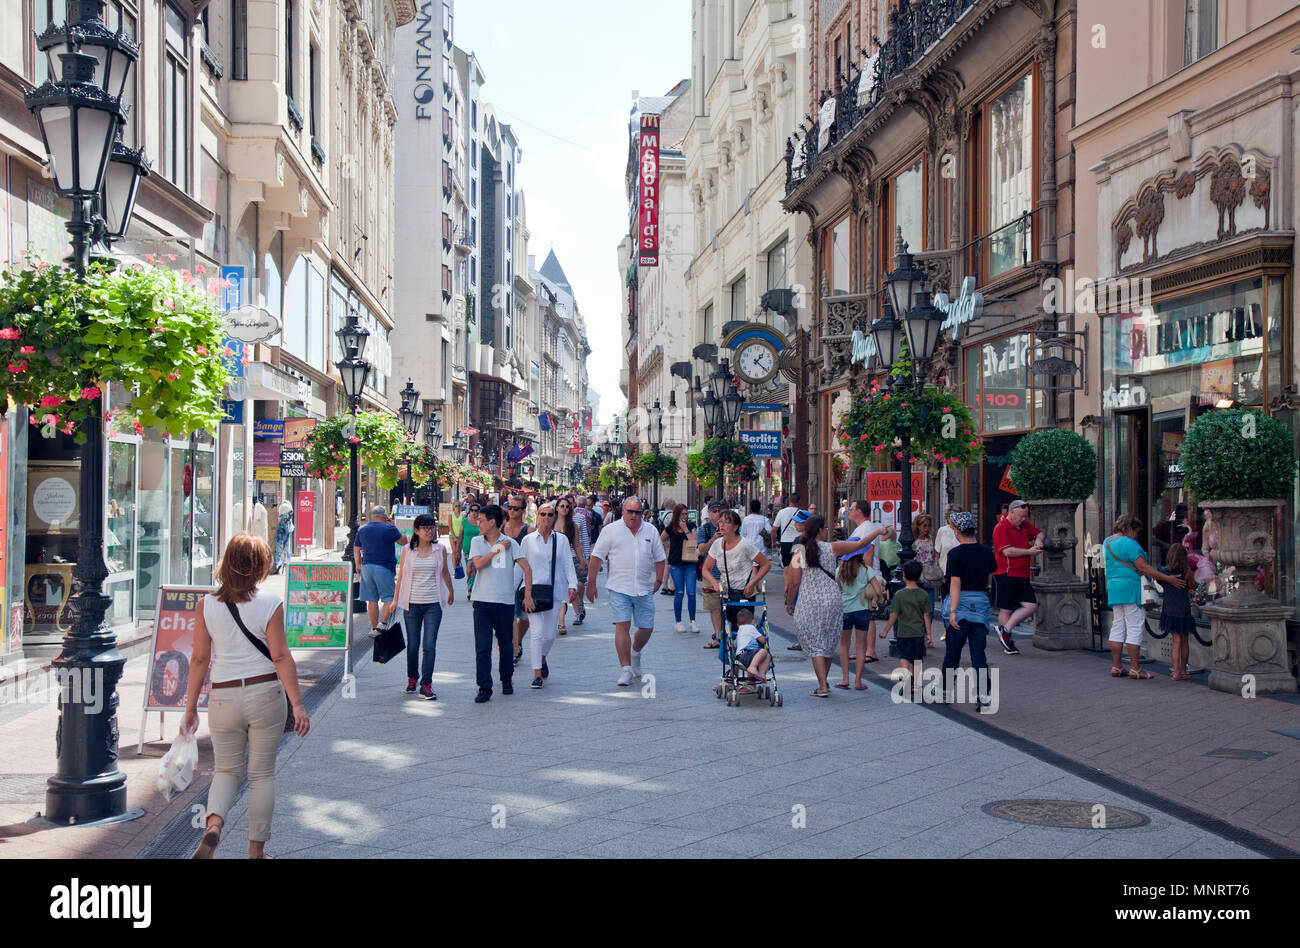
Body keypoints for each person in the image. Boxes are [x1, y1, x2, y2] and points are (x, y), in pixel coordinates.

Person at [184, 533, 309, 859]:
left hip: (223, 696)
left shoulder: (206, 605)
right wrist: (297, 704)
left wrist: (189, 708)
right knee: (261, 774)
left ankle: (213, 827)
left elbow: (199, 659)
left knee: (226, 771)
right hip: (264, 692)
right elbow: (281, 657)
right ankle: (256, 853)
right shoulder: (270, 604)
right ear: (260, 566)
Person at [586, 495, 666, 687]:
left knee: (646, 628)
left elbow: (660, 558)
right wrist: (591, 583)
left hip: (644, 586)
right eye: (630, 511)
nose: (633, 516)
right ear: (622, 511)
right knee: (622, 625)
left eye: (637, 512)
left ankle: (635, 652)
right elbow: (597, 557)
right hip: (618, 586)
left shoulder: (651, 530)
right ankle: (626, 669)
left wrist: (658, 580)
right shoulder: (611, 531)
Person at [1104, 514, 1183, 679]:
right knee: (1134, 627)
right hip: (1132, 589)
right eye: (1136, 531)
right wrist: (1168, 579)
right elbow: (1144, 567)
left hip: (1114, 587)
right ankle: (1135, 668)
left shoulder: (1108, 541)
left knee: (1118, 626)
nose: (1136, 535)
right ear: (1130, 528)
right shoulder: (1129, 543)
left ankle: (1117, 666)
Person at [468, 504, 533, 702]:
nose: (477, 523)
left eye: (481, 520)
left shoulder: (511, 543)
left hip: (504, 601)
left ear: (492, 522)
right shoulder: (477, 541)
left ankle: (506, 680)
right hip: (482, 601)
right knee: (483, 647)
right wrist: (496, 549)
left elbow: (527, 569)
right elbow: (478, 564)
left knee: (506, 645)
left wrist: (528, 594)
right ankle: (484, 687)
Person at [384, 513, 453, 700]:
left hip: (433, 603)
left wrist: (451, 591)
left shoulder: (440, 549)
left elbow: (445, 572)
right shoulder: (408, 550)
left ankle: (426, 684)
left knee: (429, 645)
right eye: (426, 528)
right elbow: (401, 577)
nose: (430, 531)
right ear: (416, 530)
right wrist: (395, 600)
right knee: (413, 645)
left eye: (432, 527)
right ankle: (412, 678)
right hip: (411, 603)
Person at [939, 512, 997, 711]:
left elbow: (955, 583)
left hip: (961, 604)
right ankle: (983, 696)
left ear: (957, 531)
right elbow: (989, 578)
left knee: (953, 653)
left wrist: (953, 611)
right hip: (980, 605)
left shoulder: (955, 554)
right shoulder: (986, 551)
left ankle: (945, 692)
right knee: (978, 654)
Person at [520, 502, 579, 689]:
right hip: (533, 591)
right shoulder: (528, 540)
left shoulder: (560, 540)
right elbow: (520, 566)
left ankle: (543, 657)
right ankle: (536, 673)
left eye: (550, 514)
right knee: (536, 633)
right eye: (543, 514)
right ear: (537, 516)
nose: (546, 518)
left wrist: (572, 585)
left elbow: (568, 564)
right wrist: (516, 590)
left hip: (555, 591)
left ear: (554, 517)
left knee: (550, 635)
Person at [785, 516, 843, 697]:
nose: (827, 531)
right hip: (832, 599)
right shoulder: (832, 548)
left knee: (816, 644)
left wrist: (789, 603)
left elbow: (794, 582)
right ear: (819, 530)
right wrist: (877, 532)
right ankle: (824, 682)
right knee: (827, 642)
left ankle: (822, 686)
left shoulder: (799, 552)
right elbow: (859, 544)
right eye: (825, 528)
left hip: (810, 601)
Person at [702, 509, 771, 632]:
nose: (721, 525)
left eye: (726, 522)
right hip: (727, 593)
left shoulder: (745, 545)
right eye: (720, 522)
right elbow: (706, 569)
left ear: (735, 527)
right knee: (729, 631)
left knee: (744, 631)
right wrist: (714, 583)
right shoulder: (717, 544)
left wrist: (753, 583)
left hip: (745, 593)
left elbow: (766, 564)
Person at [990, 498, 1042, 654]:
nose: (1023, 520)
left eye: (1025, 516)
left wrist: (1038, 541)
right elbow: (1008, 551)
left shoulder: (1023, 526)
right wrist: (1029, 551)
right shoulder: (1000, 528)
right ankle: (1008, 642)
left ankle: (1004, 630)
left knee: (1031, 605)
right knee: (1006, 609)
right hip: (1006, 574)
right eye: (1020, 516)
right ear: (1011, 513)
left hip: (1022, 574)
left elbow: (1039, 533)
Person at [879, 560, 932, 690]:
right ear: (919, 575)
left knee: (904, 656)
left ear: (903, 574)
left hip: (903, 633)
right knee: (917, 659)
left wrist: (885, 630)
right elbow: (927, 615)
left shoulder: (899, 595)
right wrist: (929, 634)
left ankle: (906, 675)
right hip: (919, 633)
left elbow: (894, 615)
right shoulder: (923, 594)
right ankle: (915, 685)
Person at [836, 547, 884, 690]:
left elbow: (837, 589)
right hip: (862, 610)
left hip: (845, 610)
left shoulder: (839, 571)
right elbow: (878, 590)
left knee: (844, 645)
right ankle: (858, 681)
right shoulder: (866, 570)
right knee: (861, 647)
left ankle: (845, 679)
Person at [353, 505, 403, 637]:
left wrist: (358, 564)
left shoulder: (362, 529)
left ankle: (374, 627)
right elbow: (403, 541)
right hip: (384, 567)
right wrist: (393, 524)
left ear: (372, 516)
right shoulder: (389, 528)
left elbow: (356, 549)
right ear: (385, 516)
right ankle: (382, 624)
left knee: (372, 600)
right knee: (389, 597)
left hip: (367, 567)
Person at [1158, 544, 1196, 681]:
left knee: (1176, 641)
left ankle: (1176, 672)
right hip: (1184, 610)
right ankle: (1183, 671)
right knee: (1184, 641)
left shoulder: (1163, 572)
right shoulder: (1187, 573)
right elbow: (1192, 587)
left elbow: (1159, 581)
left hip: (1170, 610)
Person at [503, 494, 533, 665]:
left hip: (522, 576)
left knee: (525, 617)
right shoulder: (500, 529)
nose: (512, 511)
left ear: (523, 511)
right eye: (510, 507)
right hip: (504, 577)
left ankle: (518, 641)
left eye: (515, 508)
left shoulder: (528, 531)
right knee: (510, 615)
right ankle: (513, 648)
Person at [662, 504, 699, 633]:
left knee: (691, 592)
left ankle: (692, 621)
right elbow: (661, 539)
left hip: (690, 562)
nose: (684, 516)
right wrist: (670, 546)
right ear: (677, 514)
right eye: (682, 514)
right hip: (676, 563)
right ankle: (678, 621)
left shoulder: (691, 526)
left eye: (686, 514)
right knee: (679, 592)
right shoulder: (670, 528)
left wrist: (685, 529)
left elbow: (694, 541)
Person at [697, 501, 726, 648]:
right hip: (711, 574)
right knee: (714, 607)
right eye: (714, 511)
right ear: (708, 513)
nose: (717, 513)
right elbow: (702, 551)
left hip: (728, 574)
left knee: (727, 607)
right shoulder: (704, 530)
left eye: (719, 511)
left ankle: (728, 636)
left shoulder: (730, 528)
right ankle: (719, 637)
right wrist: (714, 539)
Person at [554, 496, 585, 633]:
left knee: (571, 587)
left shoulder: (573, 526)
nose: (565, 509)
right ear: (557, 508)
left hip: (570, 560)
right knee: (559, 590)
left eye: (567, 506)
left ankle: (573, 613)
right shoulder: (550, 523)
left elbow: (577, 545)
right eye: (562, 506)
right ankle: (561, 621)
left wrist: (582, 561)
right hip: (554, 560)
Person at [732, 608, 771, 684]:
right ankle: (754, 668)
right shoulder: (751, 628)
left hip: (740, 659)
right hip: (748, 654)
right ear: (753, 622)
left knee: (767, 655)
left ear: (738, 625)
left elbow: (735, 646)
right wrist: (763, 636)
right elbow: (763, 640)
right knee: (764, 651)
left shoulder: (739, 631)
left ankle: (761, 674)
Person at [771, 493, 802, 567]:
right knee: (797, 567)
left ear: (789, 501)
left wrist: (773, 542)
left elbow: (773, 530)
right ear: (799, 502)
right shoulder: (801, 513)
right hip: (798, 542)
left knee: (786, 568)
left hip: (785, 542)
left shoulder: (782, 512)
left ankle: (788, 579)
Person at [273, 501, 294, 572]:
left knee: (279, 550)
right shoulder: (287, 517)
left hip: (280, 535)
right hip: (285, 535)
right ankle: (284, 564)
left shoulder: (282, 517)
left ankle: (278, 565)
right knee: (285, 550)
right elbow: (287, 527)